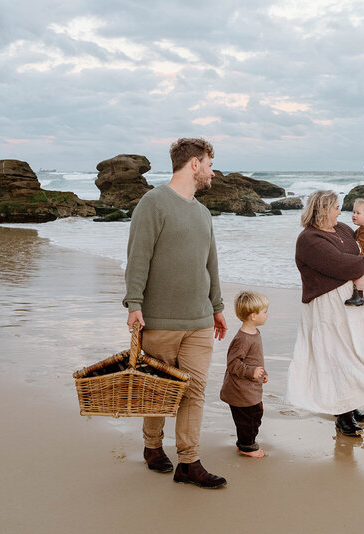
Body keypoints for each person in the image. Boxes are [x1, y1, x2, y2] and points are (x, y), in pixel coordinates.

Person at [123, 137, 228, 489]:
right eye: (210, 164)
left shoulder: (202, 212)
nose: (213, 171)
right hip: (161, 318)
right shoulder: (153, 203)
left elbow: (210, 263)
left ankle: (189, 461)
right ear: (195, 164)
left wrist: (217, 308)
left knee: (194, 390)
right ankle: (152, 446)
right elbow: (138, 257)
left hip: (199, 320)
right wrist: (133, 304)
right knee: (159, 390)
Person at [285, 190, 364, 437]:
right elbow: (341, 264)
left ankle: (350, 406)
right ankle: (342, 415)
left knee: (356, 352)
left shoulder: (341, 229)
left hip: (354, 303)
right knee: (337, 356)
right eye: (336, 208)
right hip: (328, 307)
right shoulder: (309, 239)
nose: (341, 212)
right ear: (323, 210)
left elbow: (362, 247)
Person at [220, 291, 270, 458]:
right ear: (253, 316)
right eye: (265, 311)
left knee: (256, 414)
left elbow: (255, 359)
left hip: (250, 386)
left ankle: (246, 441)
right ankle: (246, 446)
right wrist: (251, 372)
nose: (267, 314)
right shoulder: (243, 339)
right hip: (240, 389)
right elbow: (233, 363)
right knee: (248, 418)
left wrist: (262, 372)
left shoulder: (255, 333)